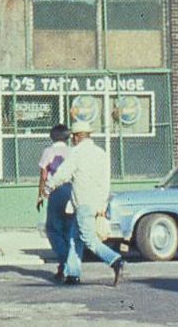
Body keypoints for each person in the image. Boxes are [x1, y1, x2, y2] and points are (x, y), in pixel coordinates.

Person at [45, 118, 124, 286]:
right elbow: (105, 181)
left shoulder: (76, 153)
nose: (71, 139)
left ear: (78, 136)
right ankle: (73, 274)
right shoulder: (101, 153)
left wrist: (49, 186)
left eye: (73, 136)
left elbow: (63, 173)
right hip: (95, 202)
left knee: (88, 239)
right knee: (75, 238)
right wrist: (102, 205)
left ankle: (115, 260)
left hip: (82, 202)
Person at [36, 123, 78, 281]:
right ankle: (66, 265)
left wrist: (40, 194)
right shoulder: (72, 151)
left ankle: (64, 259)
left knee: (53, 228)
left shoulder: (49, 151)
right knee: (68, 229)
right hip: (71, 190)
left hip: (55, 190)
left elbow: (44, 173)